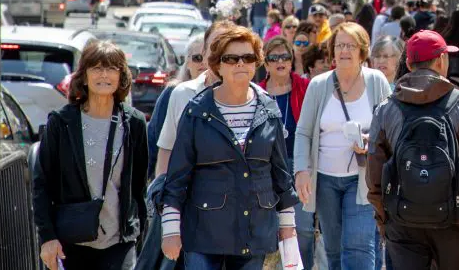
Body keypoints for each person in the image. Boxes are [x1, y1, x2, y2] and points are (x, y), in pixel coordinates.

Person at [160, 24, 298, 270]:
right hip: (204, 234)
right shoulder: (197, 111)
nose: (240, 64)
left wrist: (288, 226)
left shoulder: (269, 110)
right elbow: (177, 176)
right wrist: (170, 229)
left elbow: (281, 174)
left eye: (247, 58)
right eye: (231, 58)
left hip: (253, 233)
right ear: (218, 65)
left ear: (256, 63)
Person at [366, 30, 459, 270]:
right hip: (454, 219)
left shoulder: (387, 108)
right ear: (442, 60)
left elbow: (374, 170)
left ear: (409, 64)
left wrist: (384, 218)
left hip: (402, 219)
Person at [33, 40, 148, 270]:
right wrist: (47, 237)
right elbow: (42, 184)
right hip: (71, 240)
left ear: (121, 76)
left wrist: (139, 234)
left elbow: (139, 187)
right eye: (96, 68)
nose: (104, 74)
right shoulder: (62, 122)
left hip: (119, 241)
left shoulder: (133, 122)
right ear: (84, 76)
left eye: (111, 68)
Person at [294, 22, 392, 270]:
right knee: (333, 249)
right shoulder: (319, 85)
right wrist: (302, 170)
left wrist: (370, 143)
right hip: (325, 180)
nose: (344, 51)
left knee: (359, 246)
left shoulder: (376, 81)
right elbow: (304, 132)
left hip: (361, 179)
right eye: (339, 45)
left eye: (350, 45)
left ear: (362, 51)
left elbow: (391, 129)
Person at [260, 37, 315, 270]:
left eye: (285, 56)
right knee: (270, 229)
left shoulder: (305, 87)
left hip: (299, 165)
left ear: (292, 60)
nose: (280, 61)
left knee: (303, 229)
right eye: (273, 57)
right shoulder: (257, 92)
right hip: (266, 169)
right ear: (266, 62)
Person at [147, 34, 207, 179]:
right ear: (188, 62)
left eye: (209, 58)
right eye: (197, 58)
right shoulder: (173, 92)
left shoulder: (223, 94)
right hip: (174, 178)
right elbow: (155, 139)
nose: (203, 63)